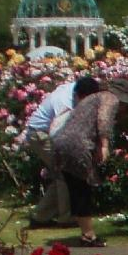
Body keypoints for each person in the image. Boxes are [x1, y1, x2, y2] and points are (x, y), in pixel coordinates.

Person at [49, 77, 127, 248]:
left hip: (61, 143)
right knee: (83, 189)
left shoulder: (91, 99)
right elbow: (103, 120)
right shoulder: (109, 98)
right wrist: (104, 145)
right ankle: (88, 236)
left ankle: (86, 233)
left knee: (76, 189)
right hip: (78, 144)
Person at [22, 73, 86, 226]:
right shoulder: (64, 102)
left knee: (61, 176)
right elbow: (59, 129)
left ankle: (40, 217)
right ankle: (66, 218)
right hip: (41, 134)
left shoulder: (76, 91)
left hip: (42, 132)